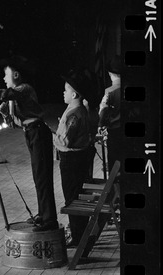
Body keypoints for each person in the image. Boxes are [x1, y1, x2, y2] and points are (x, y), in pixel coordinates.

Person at [0, 55, 58, 232]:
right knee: (38, 176)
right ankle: (43, 213)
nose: (3, 79)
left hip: (39, 133)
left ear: (15, 75)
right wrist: (5, 113)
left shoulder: (24, 89)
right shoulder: (15, 98)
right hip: (30, 134)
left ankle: (49, 219)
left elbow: (6, 93)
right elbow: (14, 123)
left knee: (43, 176)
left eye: (5, 75)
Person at [53, 69, 94, 248]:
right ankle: (80, 233)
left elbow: (65, 140)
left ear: (74, 93)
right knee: (77, 195)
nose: (64, 93)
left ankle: (78, 237)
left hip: (71, 160)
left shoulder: (74, 114)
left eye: (66, 90)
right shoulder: (81, 110)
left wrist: (53, 135)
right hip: (81, 157)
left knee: (72, 197)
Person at [98, 55, 121, 173]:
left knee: (113, 162)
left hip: (114, 131)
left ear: (110, 73)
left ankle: (115, 190)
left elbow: (103, 112)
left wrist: (100, 125)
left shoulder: (109, 92)